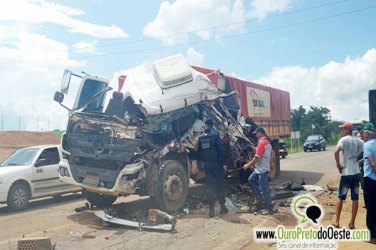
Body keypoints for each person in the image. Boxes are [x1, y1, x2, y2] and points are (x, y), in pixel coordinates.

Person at [333, 121, 364, 229]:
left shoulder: (343, 140)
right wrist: (359, 162)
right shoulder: (358, 141)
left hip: (346, 173)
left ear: (347, 130)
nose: (341, 131)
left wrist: (338, 165)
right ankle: (352, 223)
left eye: (342, 129)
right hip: (356, 173)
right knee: (355, 198)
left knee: (340, 197)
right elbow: (365, 153)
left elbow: (336, 152)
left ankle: (336, 221)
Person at [197, 118, 228, 217]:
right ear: (212, 125)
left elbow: (199, 153)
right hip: (217, 165)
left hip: (207, 165)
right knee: (220, 185)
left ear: (205, 126)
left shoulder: (201, 138)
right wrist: (224, 163)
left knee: (210, 187)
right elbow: (222, 151)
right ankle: (222, 207)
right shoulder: (215, 136)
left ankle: (211, 210)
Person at [242, 126, 274, 215]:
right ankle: (259, 197)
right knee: (251, 180)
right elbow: (270, 155)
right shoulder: (267, 143)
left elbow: (257, 158)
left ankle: (269, 209)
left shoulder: (261, 143)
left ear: (260, 133)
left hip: (262, 170)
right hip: (260, 169)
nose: (255, 135)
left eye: (256, 133)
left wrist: (247, 165)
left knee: (265, 189)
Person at [361, 122, 376, 244]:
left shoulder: (367, 145)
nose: (362, 135)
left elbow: (372, 164)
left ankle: (372, 235)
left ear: (367, 133)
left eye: (363, 133)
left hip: (371, 180)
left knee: (370, 208)